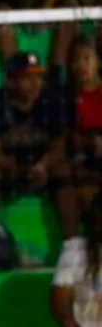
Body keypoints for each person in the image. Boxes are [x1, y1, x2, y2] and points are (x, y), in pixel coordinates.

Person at [0, 51, 78, 243]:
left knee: (63, 171)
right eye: (27, 77)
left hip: (43, 167)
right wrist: (22, 170)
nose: (35, 83)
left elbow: (59, 146)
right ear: (11, 80)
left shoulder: (51, 100)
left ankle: (72, 243)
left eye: (38, 76)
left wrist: (41, 167)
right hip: (9, 169)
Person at [66, 38, 102, 214]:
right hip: (83, 160)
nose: (80, 65)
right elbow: (70, 139)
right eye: (75, 60)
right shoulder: (68, 97)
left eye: (86, 59)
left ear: (98, 62)